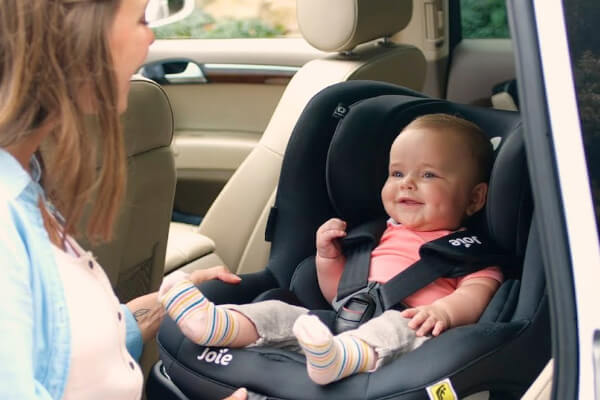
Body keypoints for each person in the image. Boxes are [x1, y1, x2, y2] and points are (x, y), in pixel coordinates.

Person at [0, 1, 246, 399]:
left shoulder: (26, 183)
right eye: (139, 19)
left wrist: (167, 303)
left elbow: (63, 354)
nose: (150, 36)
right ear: (70, 34)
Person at [159, 113, 504, 385]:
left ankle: (340, 358)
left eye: (428, 175)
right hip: (338, 324)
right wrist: (329, 258)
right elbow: (340, 295)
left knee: (395, 328)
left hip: (412, 337)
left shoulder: (470, 255)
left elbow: (475, 296)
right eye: (397, 173)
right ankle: (216, 325)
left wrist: (443, 312)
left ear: (474, 198)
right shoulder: (374, 236)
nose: (407, 183)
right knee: (280, 314)